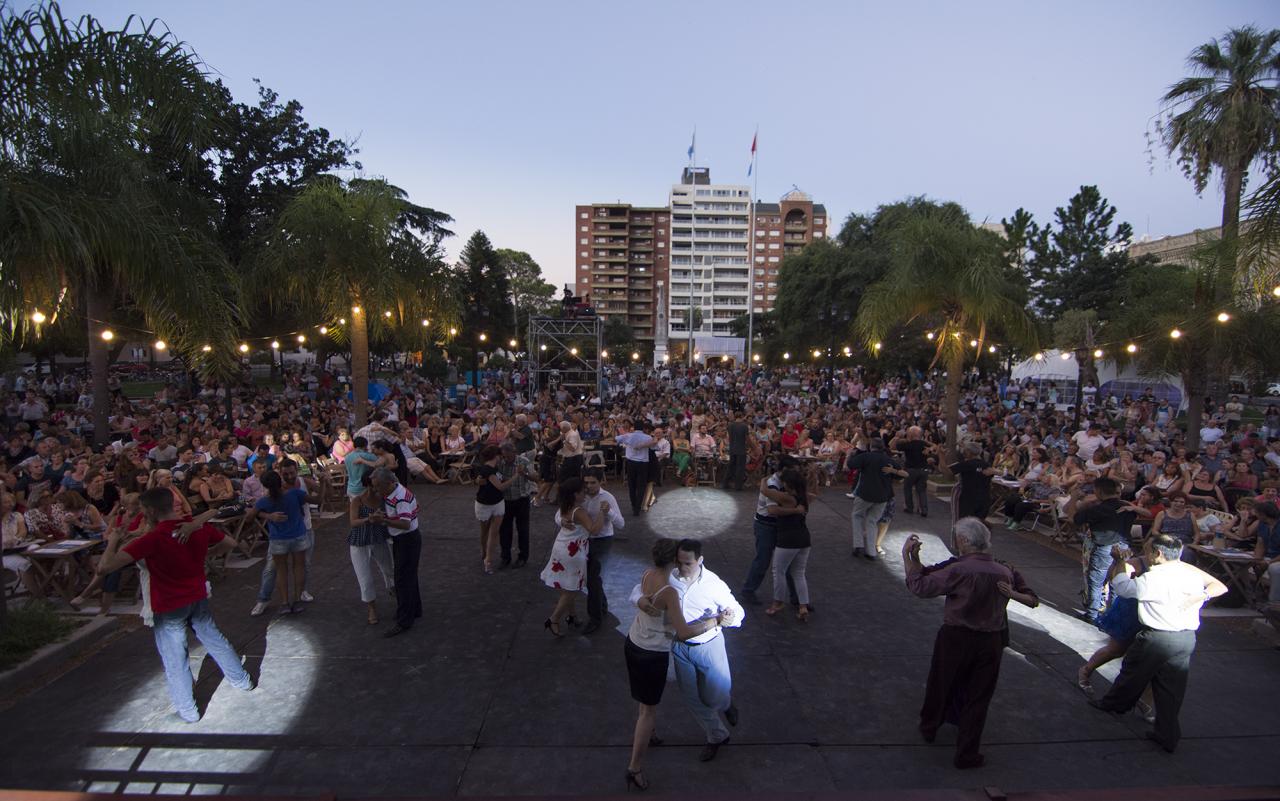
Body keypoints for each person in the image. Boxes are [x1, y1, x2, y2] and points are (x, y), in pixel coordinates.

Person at [93, 488, 253, 723]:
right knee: (214, 639)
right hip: (196, 595)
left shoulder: (151, 539)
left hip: (168, 605)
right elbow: (230, 542)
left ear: (149, 511)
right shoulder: (195, 527)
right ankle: (242, 680)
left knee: (175, 658)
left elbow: (104, 568)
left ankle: (188, 709)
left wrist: (113, 541)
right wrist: (207, 555)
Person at [904, 518, 1039, 769]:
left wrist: (907, 558)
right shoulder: (1004, 570)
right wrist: (1013, 595)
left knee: (941, 683)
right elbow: (1032, 598)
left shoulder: (959, 569)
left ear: (965, 541)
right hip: (991, 640)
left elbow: (920, 585)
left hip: (956, 636)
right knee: (979, 696)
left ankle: (930, 726)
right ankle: (967, 752)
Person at [1087, 534, 1227, 753]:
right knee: (1172, 688)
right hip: (1186, 638)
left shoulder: (1152, 579)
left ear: (1157, 554)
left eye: (1147, 550)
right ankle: (1167, 734)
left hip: (1157, 636)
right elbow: (1220, 586)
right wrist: (1202, 596)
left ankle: (1113, 703)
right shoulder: (1190, 574)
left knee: (1132, 673)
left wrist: (1120, 561)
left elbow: (1122, 587)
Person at [624, 538, 731, 792]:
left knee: (643, 703)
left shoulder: (648, 573)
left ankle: (649, 735)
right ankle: (635, 768)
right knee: (647, 711)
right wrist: (714, 621)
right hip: (652, 654)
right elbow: (682, 632)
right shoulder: (670, 591)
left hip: (633, 643)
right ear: (672, 560)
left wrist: (640, 602)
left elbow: (638, 594)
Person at [666, 538, 745, 762]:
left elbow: (737, 612)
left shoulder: (713, 584)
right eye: (679, 562)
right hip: (680, 647)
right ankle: (717, 736)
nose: (682, 568)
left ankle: (726, 703)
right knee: (692, 697)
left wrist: (730, 618)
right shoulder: (670, 577)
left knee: (714, 695)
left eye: (688, 563)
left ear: (700, 560)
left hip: (709, 646)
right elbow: (643, 589)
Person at [1067, 477, 1137, 624]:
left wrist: (1074, 498)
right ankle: (1113, 614)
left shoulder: (1098, 509)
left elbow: (1073, 519)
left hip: (1103, 547)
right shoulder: (1127, 507)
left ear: (1098, 491)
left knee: (1097, 581)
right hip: (1124, 547)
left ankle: (1092, 614)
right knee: (1118, 581)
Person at [540, 477, 603, 635]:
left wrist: (562, 521)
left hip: (561, 547)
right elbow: (594, 529)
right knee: (573, 588)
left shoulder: (565, 506)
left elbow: (558, 517)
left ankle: (572, 615)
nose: (586, 492)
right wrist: (603, 512)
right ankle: (554, 619)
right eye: (583, 491)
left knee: (567, 585)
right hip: (573, 553)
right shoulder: (579, 511)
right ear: (575, 494)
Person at [249, 470, 315, 615]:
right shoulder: (294, 494)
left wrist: (266, 514)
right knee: (299, 567)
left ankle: (285, 602)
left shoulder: (264, 501)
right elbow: (315, 500)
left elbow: (250, 516)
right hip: (298, 534)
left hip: (278, 538)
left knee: (281, 570)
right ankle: (297, 599)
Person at [740, 456, 800, 606]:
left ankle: (797, 598)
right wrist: (796, 510)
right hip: (766, 525)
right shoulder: (772, 484)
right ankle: (748, 590)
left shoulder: (782, 482)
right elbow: (772, 510)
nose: (797, 476)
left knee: (787, 562)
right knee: (763, 559)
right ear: (785, 470)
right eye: (795, 472)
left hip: (777, 525)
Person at [371, 467, 422, 637]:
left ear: (389, 483)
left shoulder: (400, 498)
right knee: (409, 576)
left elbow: (405, 523)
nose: (376, 490)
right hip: (406, 539)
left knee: (402, 579)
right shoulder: (396, 493)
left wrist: (384, 521)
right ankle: (414, 609)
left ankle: (404, 619)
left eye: (378, 486)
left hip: (406, 539)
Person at [765, 468, 812, 621]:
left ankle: (778, 602)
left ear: (788, 483)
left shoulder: (787, 498)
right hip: (804, 538)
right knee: (799, 573)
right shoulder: (805, 496)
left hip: (787, 538)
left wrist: (764, 479)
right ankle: (803, 606)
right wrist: (814, 478)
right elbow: (816, 494)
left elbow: (765, 492)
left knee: (778, 571)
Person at [581, 469, 623, 634]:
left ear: (600, 482)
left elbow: (621, 524)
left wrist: (609, 512)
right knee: (592, 578)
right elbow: (563, 512)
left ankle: (595, 618)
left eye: (593, 483)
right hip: (584, 539)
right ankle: (602, 606)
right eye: (586, 483)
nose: (589, 486)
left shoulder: (608, 498)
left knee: (593, 579)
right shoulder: (580, 496)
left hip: (603, 540)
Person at [348, 478, 394, 625]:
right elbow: (353, 522)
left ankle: (394, 593)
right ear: (368, 486)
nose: (376, 489)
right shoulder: (358, 500)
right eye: (374, 486)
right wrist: (368, 519)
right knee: (365, 578)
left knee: (389, 570)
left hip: (378, 538)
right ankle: (371, 608)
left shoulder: (383, 499)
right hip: (360, 541)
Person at [846, 437, 894, 560]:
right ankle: (871, 551)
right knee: (872, 521)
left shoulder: (866, 457)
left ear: (871, 446)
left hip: (865, 493)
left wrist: (850, 455)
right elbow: (898, 474)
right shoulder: (887, 459)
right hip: (882, 495)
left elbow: (851, 465)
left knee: (857, 516)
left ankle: (858, 545)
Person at [496, 441, 536, 569]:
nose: (506, 459)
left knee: (523, 529)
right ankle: (505, 557)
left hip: (521, 499)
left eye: (508, 456)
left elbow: (536, 477)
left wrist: (525, 473)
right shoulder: (500, 463)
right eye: (504, 456)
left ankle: (523, 556)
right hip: (505, 500)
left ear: (514, 453)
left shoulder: (523, 461)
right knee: (504, 530)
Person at [473, 445, 510, 574]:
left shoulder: (495, 468)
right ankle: (485, 552)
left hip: (497, 502)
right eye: (500, 456)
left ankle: (488, 558)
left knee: (493, 532)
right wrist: (516, 476)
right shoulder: (487, 470)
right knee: (485, 531)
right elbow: (500, 486)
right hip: (485, 503)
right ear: (496, 456)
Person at [615, 419, 655, 515]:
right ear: (643, 428)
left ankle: (633, 505)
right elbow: (653, 447)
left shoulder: (628, 435)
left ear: (634, 427)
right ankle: (638, 507)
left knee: (631, 485)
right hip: (643, 463)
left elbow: (616, 439)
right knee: (641, 486)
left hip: (631, 462)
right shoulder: (648, 437)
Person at [893, 425, 934, 517]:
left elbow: (894, 446)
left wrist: (898, 437)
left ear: (910, 434)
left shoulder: (907, 444)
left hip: (910, 470)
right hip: (923, 470)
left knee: (907, 488)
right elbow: (934, 446)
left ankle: (909, 507)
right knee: (922, 490)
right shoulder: (924, 444)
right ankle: (924, 509)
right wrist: (929, 448)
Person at [950, 444, 996, 522]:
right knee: (979, 524)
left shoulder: (967, 464)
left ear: (969, 452)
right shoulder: (986, 465)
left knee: (964, 524)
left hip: (969, 500)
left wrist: (941, 456)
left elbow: (947, 471)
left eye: (965, 451)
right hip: (984, 499)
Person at [721, 410, 749, 492]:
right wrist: (753, 447)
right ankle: (738, 486)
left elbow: (729, 437)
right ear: (742, 416)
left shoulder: (730, 425)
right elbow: (747, 439)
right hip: (741, 449)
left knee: (730, 467)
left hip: (732, 448)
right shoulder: (744, 426)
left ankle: (725, 483)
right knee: (740, 468)